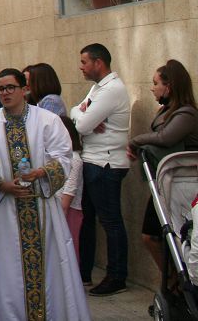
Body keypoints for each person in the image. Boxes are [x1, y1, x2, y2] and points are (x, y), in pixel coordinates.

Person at [0, 68, 90, 320]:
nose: (5, 93)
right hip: (4, 212)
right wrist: (0, 184)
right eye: (0, 88)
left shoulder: (47, 120)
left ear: (25, 89)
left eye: (11, 87)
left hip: (41, 209)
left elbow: (64, 157)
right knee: (7, 271)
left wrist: (41, 172)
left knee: (48, 271)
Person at [70, 42, 131, 295]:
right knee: (92, 220)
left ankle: (117, 276)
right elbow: (75, 111)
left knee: (111, 222)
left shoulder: (112, 89)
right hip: (94, 161)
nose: (81, 67)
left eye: (84, 62)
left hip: (106, 164)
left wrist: (83, 117)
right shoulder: (98, 88)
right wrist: (81, 113)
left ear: (98, 63)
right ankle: (86, 273)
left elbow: (82, 126)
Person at [128, 59, 198, 279]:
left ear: (169, 86)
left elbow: (165, 138)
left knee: (168, 236)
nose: (152, 88)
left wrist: (135, 141)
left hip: (183, 184)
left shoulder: (186, 114)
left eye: (156, 82)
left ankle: (179, 284)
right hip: (165, 183)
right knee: (153, 236)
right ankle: (175, 284)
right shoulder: (167, 112)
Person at [58, 116, 85, 261]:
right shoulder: (60, 157)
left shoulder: (75, 159)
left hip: (68, 212)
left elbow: (69, 192)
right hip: (58, 209)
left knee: (68, 251)